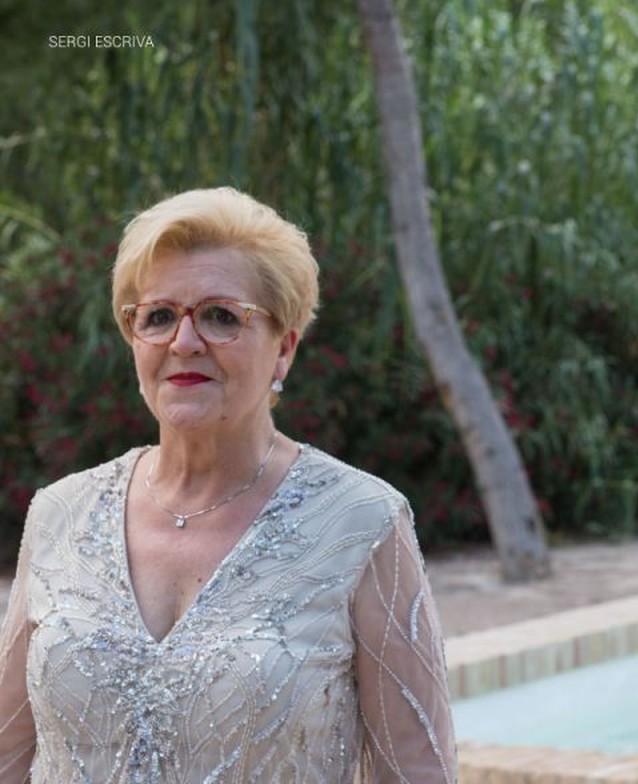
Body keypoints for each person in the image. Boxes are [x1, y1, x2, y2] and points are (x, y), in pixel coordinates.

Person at [0, 187, 457, 782]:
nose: (183, 343)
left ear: (284, 349)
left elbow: (418, 772)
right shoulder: (61, 512)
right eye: (159, 316)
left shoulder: (362, 523)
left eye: (221, 316)